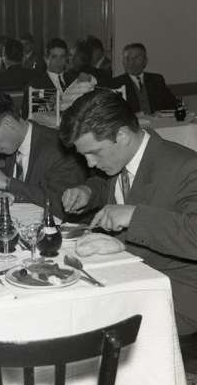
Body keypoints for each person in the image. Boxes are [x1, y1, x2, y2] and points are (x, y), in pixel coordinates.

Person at [60, 89, 197, 335]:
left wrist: (133, 215)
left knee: (80, 324)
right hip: (132, 273)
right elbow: (111, 184)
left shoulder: (187, 166)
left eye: (94, 152)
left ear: (122, 135)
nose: (90, 163)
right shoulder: (123, 158)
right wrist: (88, 190)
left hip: (175, 290)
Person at [0, 89, 88, 218]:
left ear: (8, 122)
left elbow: (60, 204)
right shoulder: (15, 144)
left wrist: (8, 183)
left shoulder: (59, 149)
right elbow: (22, 178)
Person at [109, 43, 177, 115]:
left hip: (157, 120)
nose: (131, 62)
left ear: (145, 61)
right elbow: (113, 111)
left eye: (136, 58)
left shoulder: (157, 80)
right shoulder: (116, 83)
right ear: (123, 62)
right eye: (127, 58)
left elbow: (172, 104)